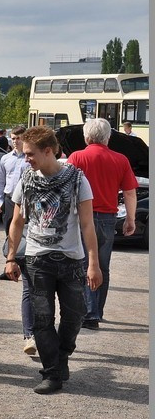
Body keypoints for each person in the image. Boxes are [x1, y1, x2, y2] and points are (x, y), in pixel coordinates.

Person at [4, 126, 101, 395]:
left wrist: (93, 263)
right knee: (42, 318)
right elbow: (17, 221)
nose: (26, 159)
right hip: (37, 259)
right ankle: (51, 373)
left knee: (75, 315)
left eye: (30, 154)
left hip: (71, 260)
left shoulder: (77, 179)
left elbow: (87, 225)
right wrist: (11, 257)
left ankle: (62, 355)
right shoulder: (27, 179)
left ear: (48, 151)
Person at [66, 118, 137, 330]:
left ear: (86, 137)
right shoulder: (121, 159)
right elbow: (130, 192)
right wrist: (131, 219)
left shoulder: (76, 157)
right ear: (108, 137)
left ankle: (87, 313)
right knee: (102, 266)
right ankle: (97, 310)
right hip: (107, 218)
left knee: (82, 264)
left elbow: (65, 188)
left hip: (81, 217)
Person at [0, 126, 36, 354]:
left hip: (29, 201)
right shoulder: (5, 159)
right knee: (10, 236)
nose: (16, 141)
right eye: (13, 138)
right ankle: (12, 266)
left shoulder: (30, 160)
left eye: (19, 138)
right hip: (11, 200)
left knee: (24, 235)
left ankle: (21, 265)